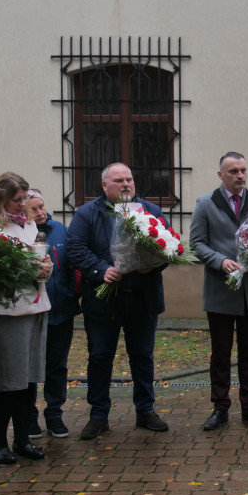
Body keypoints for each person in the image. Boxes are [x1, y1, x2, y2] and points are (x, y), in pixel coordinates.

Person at [67, 163, 170, 440]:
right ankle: (98, 415)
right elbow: (75, 248)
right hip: (103, 301)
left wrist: (153, 266)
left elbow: (168, 244)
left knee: (143, 357)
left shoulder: (150, 211)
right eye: (118, 180)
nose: (126, 184)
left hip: (142, 298)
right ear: (104, 186)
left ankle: (145, 410)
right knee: (100, 357)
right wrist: (100, 270)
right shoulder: (88, 213)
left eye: (129, 179)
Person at [189, 152, 248, 431]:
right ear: (221, 175)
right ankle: (220, 408)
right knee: (220, 353)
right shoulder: (206, 203)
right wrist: (220, 260)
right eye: (233, 171)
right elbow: (196, 243)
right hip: (221, 290)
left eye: (243, 170)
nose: (240, 175)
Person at [0, 173, 53, 465]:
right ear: (0, 199)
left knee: (30, 380)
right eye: (17, 200)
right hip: (4, 313)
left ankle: (22, 440)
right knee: (10, 383)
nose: (24, 205)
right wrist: (27, 269)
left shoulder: (30, 223)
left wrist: (46, 269)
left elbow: (41, 258)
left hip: (36, 307)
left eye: (25, 199)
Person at [25, 189, 80, 439]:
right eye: (33, 208)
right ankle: (28, 416)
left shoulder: (60, 230)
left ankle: (54, 414)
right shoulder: (19, 232)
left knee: (57, 365)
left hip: (60, 310)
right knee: (30, 366)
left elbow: (71, 264)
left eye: (42, 206)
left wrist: (70, 294)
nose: (40, 212)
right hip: (30, 312)